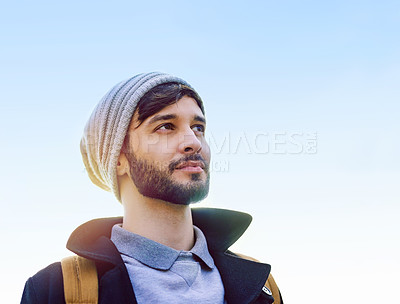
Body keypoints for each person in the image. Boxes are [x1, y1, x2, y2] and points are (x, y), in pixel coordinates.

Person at [21, 72, 283, 304]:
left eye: (198, 127)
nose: (193, 141)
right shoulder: (56, 290)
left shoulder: (263, 285)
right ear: (118, 157)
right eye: (166, 126)